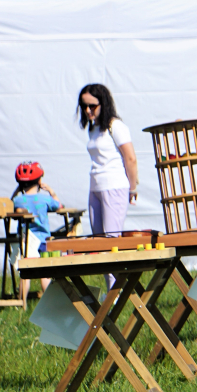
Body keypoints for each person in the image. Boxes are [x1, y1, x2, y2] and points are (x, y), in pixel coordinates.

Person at [78, 84, 139, 290]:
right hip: (95, 186)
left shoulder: (116, 126)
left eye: (92, 106)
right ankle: (111, 289)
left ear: (103, 104)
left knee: (112, 239)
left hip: (115, 186)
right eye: (84, 106)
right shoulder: (93, 128)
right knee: (99, 240)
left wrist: (132, 187)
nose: (88, 111)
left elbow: (130, 158)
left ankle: (118, 290)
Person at [11, 162, 61, 298]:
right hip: (43, 240)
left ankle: (22, 303)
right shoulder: (44, 199)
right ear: (39, 181)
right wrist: (51, 191)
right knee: (45, 272)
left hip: (26, 240)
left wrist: (18, 189)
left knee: (25, 272)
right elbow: (59, 206)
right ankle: (49, 300)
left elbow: (9, 204)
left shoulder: (18, 200)